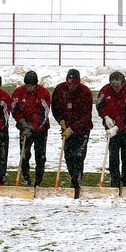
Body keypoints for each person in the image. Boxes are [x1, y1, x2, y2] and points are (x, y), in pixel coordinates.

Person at [51, 69, 93, 198]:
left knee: (78, 156)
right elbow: (55, 108)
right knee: (68, 157)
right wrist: (61, 121)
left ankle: (77, 183)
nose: (71, 86)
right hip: (66, 129)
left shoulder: (85, 92)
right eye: (69, 83)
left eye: (74, 83)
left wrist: (72, 129)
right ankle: (73, 177)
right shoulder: (59, 90)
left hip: (82, 129)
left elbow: (87, 115)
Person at [96, 71, 126, 188]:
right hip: (111, 129)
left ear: (123, 84)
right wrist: (105, 117)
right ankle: (114, 183)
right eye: (113, 86)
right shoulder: (104, 91)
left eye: (117, 86)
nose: (115, 89)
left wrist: (118, 127)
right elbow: (99, 106)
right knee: (113, 157)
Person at [11, 70, 51, 187]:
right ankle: (26, 179)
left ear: (36, 84)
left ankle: (38, 181)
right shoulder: (18, 93)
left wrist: (33, 126)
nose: (29, 88)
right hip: (24, 129)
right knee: (24, 154)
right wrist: (23, 123)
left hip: (40, 130)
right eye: (27, 86)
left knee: (40, 155)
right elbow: (14, 110)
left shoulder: (43, 93)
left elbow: (44, 114)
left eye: (31, 86)